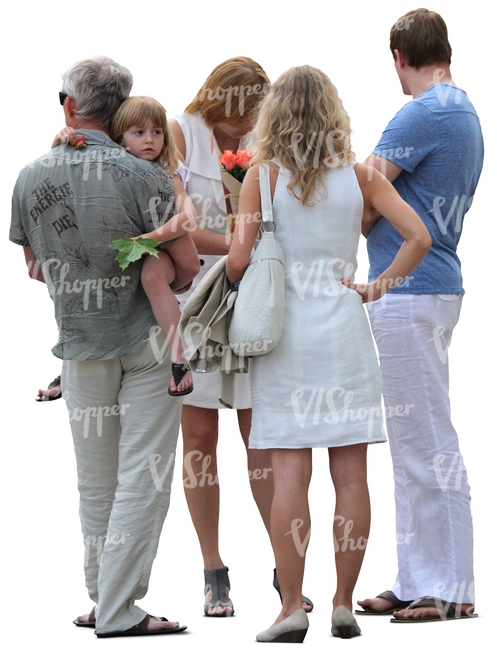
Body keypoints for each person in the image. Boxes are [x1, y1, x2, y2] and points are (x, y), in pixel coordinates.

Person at [226, 65, 431, 642]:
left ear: (276, 115)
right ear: (333, 113)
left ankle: (292, 605)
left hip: (285, 337)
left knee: (289, 472)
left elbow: (240, 262)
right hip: (344, 332)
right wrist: (376, 286)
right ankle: (343, 601)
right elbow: (419, 236)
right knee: (351, 475)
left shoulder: (260, 178)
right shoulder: (362, 177)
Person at [10, 57, 188, 637]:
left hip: (81, 345)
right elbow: (185, 264)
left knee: (96, 479)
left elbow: (36, 269)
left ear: (69, 106)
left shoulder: (30, 176)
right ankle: (119, 609)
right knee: (144, 475)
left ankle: (100, 599)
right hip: (146, 340)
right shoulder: (146, 176)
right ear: (119, 113)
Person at [170, 57, 313, 616]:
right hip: (198, 305)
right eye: (245, 115)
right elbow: (174, 226)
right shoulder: (176, 133)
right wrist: (237, 238)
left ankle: (285, 565)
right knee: (200, 438)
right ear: (223, 102)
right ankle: (213, 568)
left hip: (252, 304)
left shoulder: (265, 138)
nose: (249, 127)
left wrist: (247, 241)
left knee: (262, 437)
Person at [356, 9, 483, 622]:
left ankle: (448, 587)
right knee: (415, 437)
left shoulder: (422, 111)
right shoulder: (465, 111)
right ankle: (418, 578)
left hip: (409, 289)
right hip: (430, 287)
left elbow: (367, 199)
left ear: (400, 57)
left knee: (425, 439)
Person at [43, 96, 200, 397]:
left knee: (151, 276)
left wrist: (148, 240)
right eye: (139, 133)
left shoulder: (169, 170)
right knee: (82, 276)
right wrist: (60, 139)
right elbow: (64, 170)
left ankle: (179, 358)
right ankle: (69, 367)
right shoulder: (109, 164)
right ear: (120, 138)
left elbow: (189, 217)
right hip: (118, 258)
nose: (150, 140)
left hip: (160, 252)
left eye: (157, 132)